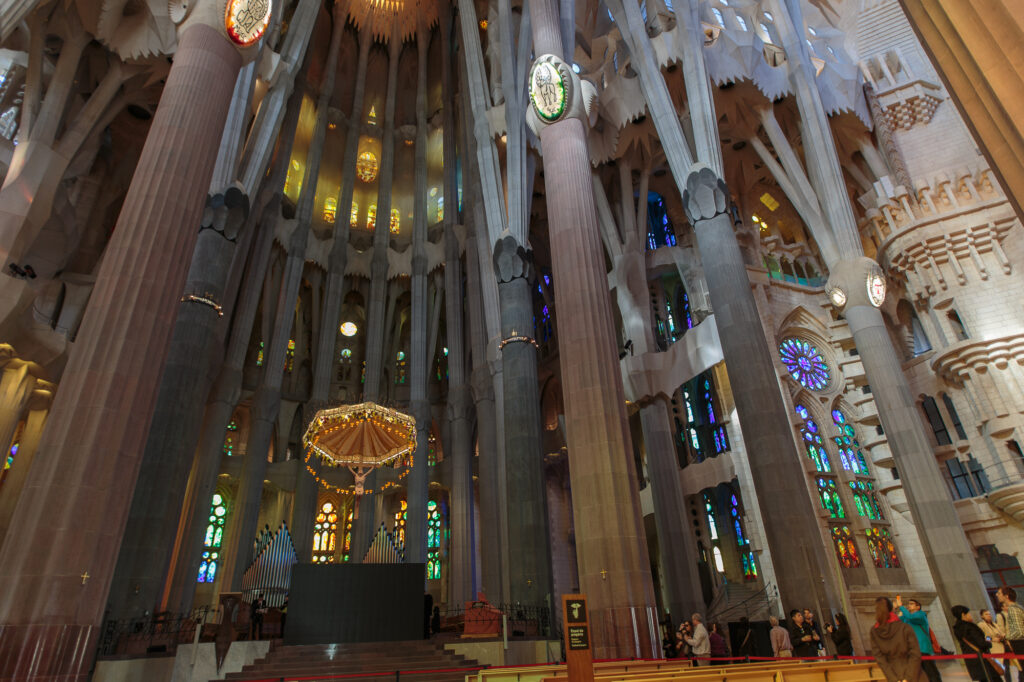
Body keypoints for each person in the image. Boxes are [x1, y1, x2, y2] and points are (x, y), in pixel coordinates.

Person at [870, 596, 925, 682]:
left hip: (894, 674)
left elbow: (880, 658)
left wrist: (893, 679)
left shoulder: (874, 631)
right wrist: (908, 678)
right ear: (891, 608)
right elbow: (915, 654)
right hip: (914, 674)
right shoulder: (904, 627)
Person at [952, 605, 1003, 682]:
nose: (970, 615)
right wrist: (989, 642)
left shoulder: (957, 628)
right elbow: (981, 642)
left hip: (972, 660)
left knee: (984, 679)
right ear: (963, 615)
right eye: (968, 613)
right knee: (993, 678)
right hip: (982, 659)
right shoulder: (971, 627)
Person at [896, 596, 941, 682]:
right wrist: (895, 608)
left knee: (931, 671)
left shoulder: (920, 614)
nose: (909, 605)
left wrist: (901, 607)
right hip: (912, 650)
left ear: (918, 607)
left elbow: (912, 618)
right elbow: (896, 621)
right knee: (918, 674)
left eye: (912, 604)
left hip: (923, 648)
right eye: (908, 604)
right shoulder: (906, 617)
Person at [997, 588, 1024, 682]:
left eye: (999, 593)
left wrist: (1005, 637)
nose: (997, 595)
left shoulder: (1013, 609)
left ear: (1006, 596)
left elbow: (1019, 631)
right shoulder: (1017, 607)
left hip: (1020, 644)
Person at [979, 608, 1011, 682]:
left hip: (1002, 647)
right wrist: (992, 639)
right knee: (1000, 668)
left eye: (989, 614)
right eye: (986, 614)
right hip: (994, 649)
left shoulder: (994, 624)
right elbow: (983, 637)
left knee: (1007, 668)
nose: (989, 616)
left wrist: (1003, 636)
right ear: (982, 616)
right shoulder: (981, 625)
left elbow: (1001, 632)